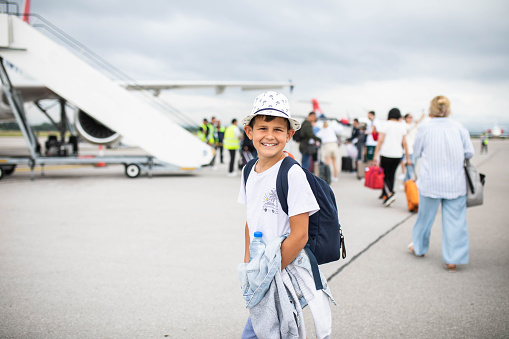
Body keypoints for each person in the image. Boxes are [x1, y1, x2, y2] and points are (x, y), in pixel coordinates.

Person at [238, 91, 333, 338]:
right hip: (263, 272)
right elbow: (251, 222)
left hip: (285, 271)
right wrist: (251, 268)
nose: (269, 136)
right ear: (250, 132)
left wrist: (268, 275)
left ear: (289, 135)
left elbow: (300, 235)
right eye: (262, 128)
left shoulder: (292, 174)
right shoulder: (249, 170)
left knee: (258, 333)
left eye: (278, 130)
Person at [408, 95, 474, 272]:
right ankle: (453, 259)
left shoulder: (425, 128)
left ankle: (419, 247)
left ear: (432, 109)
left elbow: (416, 152)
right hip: (455, 182)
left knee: (425, 218)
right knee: (456, 221)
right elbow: (469, 152)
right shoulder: (459, 127)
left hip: (431, 181)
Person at [373, 108, 410, 207]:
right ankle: (386, 193)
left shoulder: (385, 124)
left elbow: (380, 140)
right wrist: (408, 158)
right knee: (391, 175)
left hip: (386, 154)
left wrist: (375, 155)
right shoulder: (401, 126)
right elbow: (405, 143)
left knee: (384, 175)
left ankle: (389, 194)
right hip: (398, 155)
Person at [402, 112, 426, 182]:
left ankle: (406, 182)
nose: (411, 119)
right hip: (408, 150)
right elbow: (411, 127)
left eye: (412, 117)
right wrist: (421, 118)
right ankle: (407, 182)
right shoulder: (404, 126)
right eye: (409, 117)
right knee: (410, 168)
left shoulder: (414, 126)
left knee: (413, 167)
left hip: (414, 149)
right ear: (405, 118)